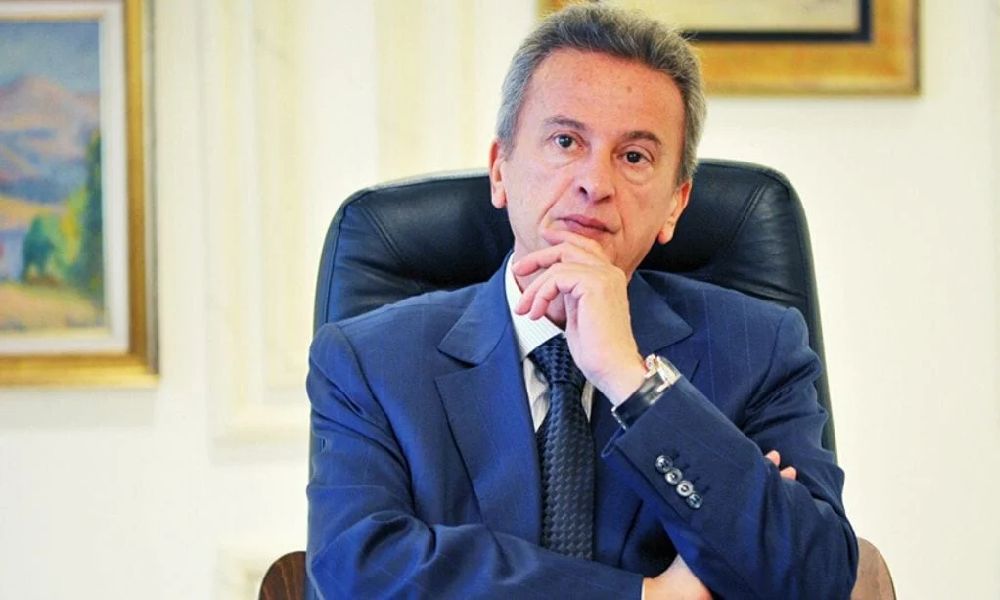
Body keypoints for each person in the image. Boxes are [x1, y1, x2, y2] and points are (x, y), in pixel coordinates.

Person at [306, 4, 857, 599]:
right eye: (566, 141)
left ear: (675, 204)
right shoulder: (371, 360)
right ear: (500, 170)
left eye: (634, 156)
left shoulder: (760, 348)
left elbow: (815, 577)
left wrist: (632, 380)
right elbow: (358, 571)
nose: (596, 183)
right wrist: (645, 596)